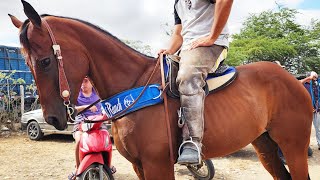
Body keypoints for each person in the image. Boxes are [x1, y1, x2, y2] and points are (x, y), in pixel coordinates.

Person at [158, 0, 233, 165]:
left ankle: (192, 142)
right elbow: (178, 34)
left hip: (211, 44)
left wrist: (212, 37)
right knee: (159, 74)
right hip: (186, 48)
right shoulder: (177, 3)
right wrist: (169, 50)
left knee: (187, 77)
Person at [68, 77, 115, 180]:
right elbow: (72, 109)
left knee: (106, 138)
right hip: (81, 122)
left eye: (85, 81)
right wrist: (87, 106)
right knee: (79, 140)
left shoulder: (97, 93)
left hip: (97, 121)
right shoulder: (76, 94)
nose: (82, 84)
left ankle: (108, 164)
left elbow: (105, 104)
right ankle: (77, 167)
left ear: (91, 82)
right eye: (81, 81)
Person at [300, 71, 320, 150]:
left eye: (316, 77)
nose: (315, 78)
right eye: (313, 77)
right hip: (306, 111)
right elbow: (298, 82)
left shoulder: (317, 84)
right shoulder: (304, 85)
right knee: (305, 129)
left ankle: (319, 143)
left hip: (317, 110)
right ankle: (305, 146)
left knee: (318, 128)